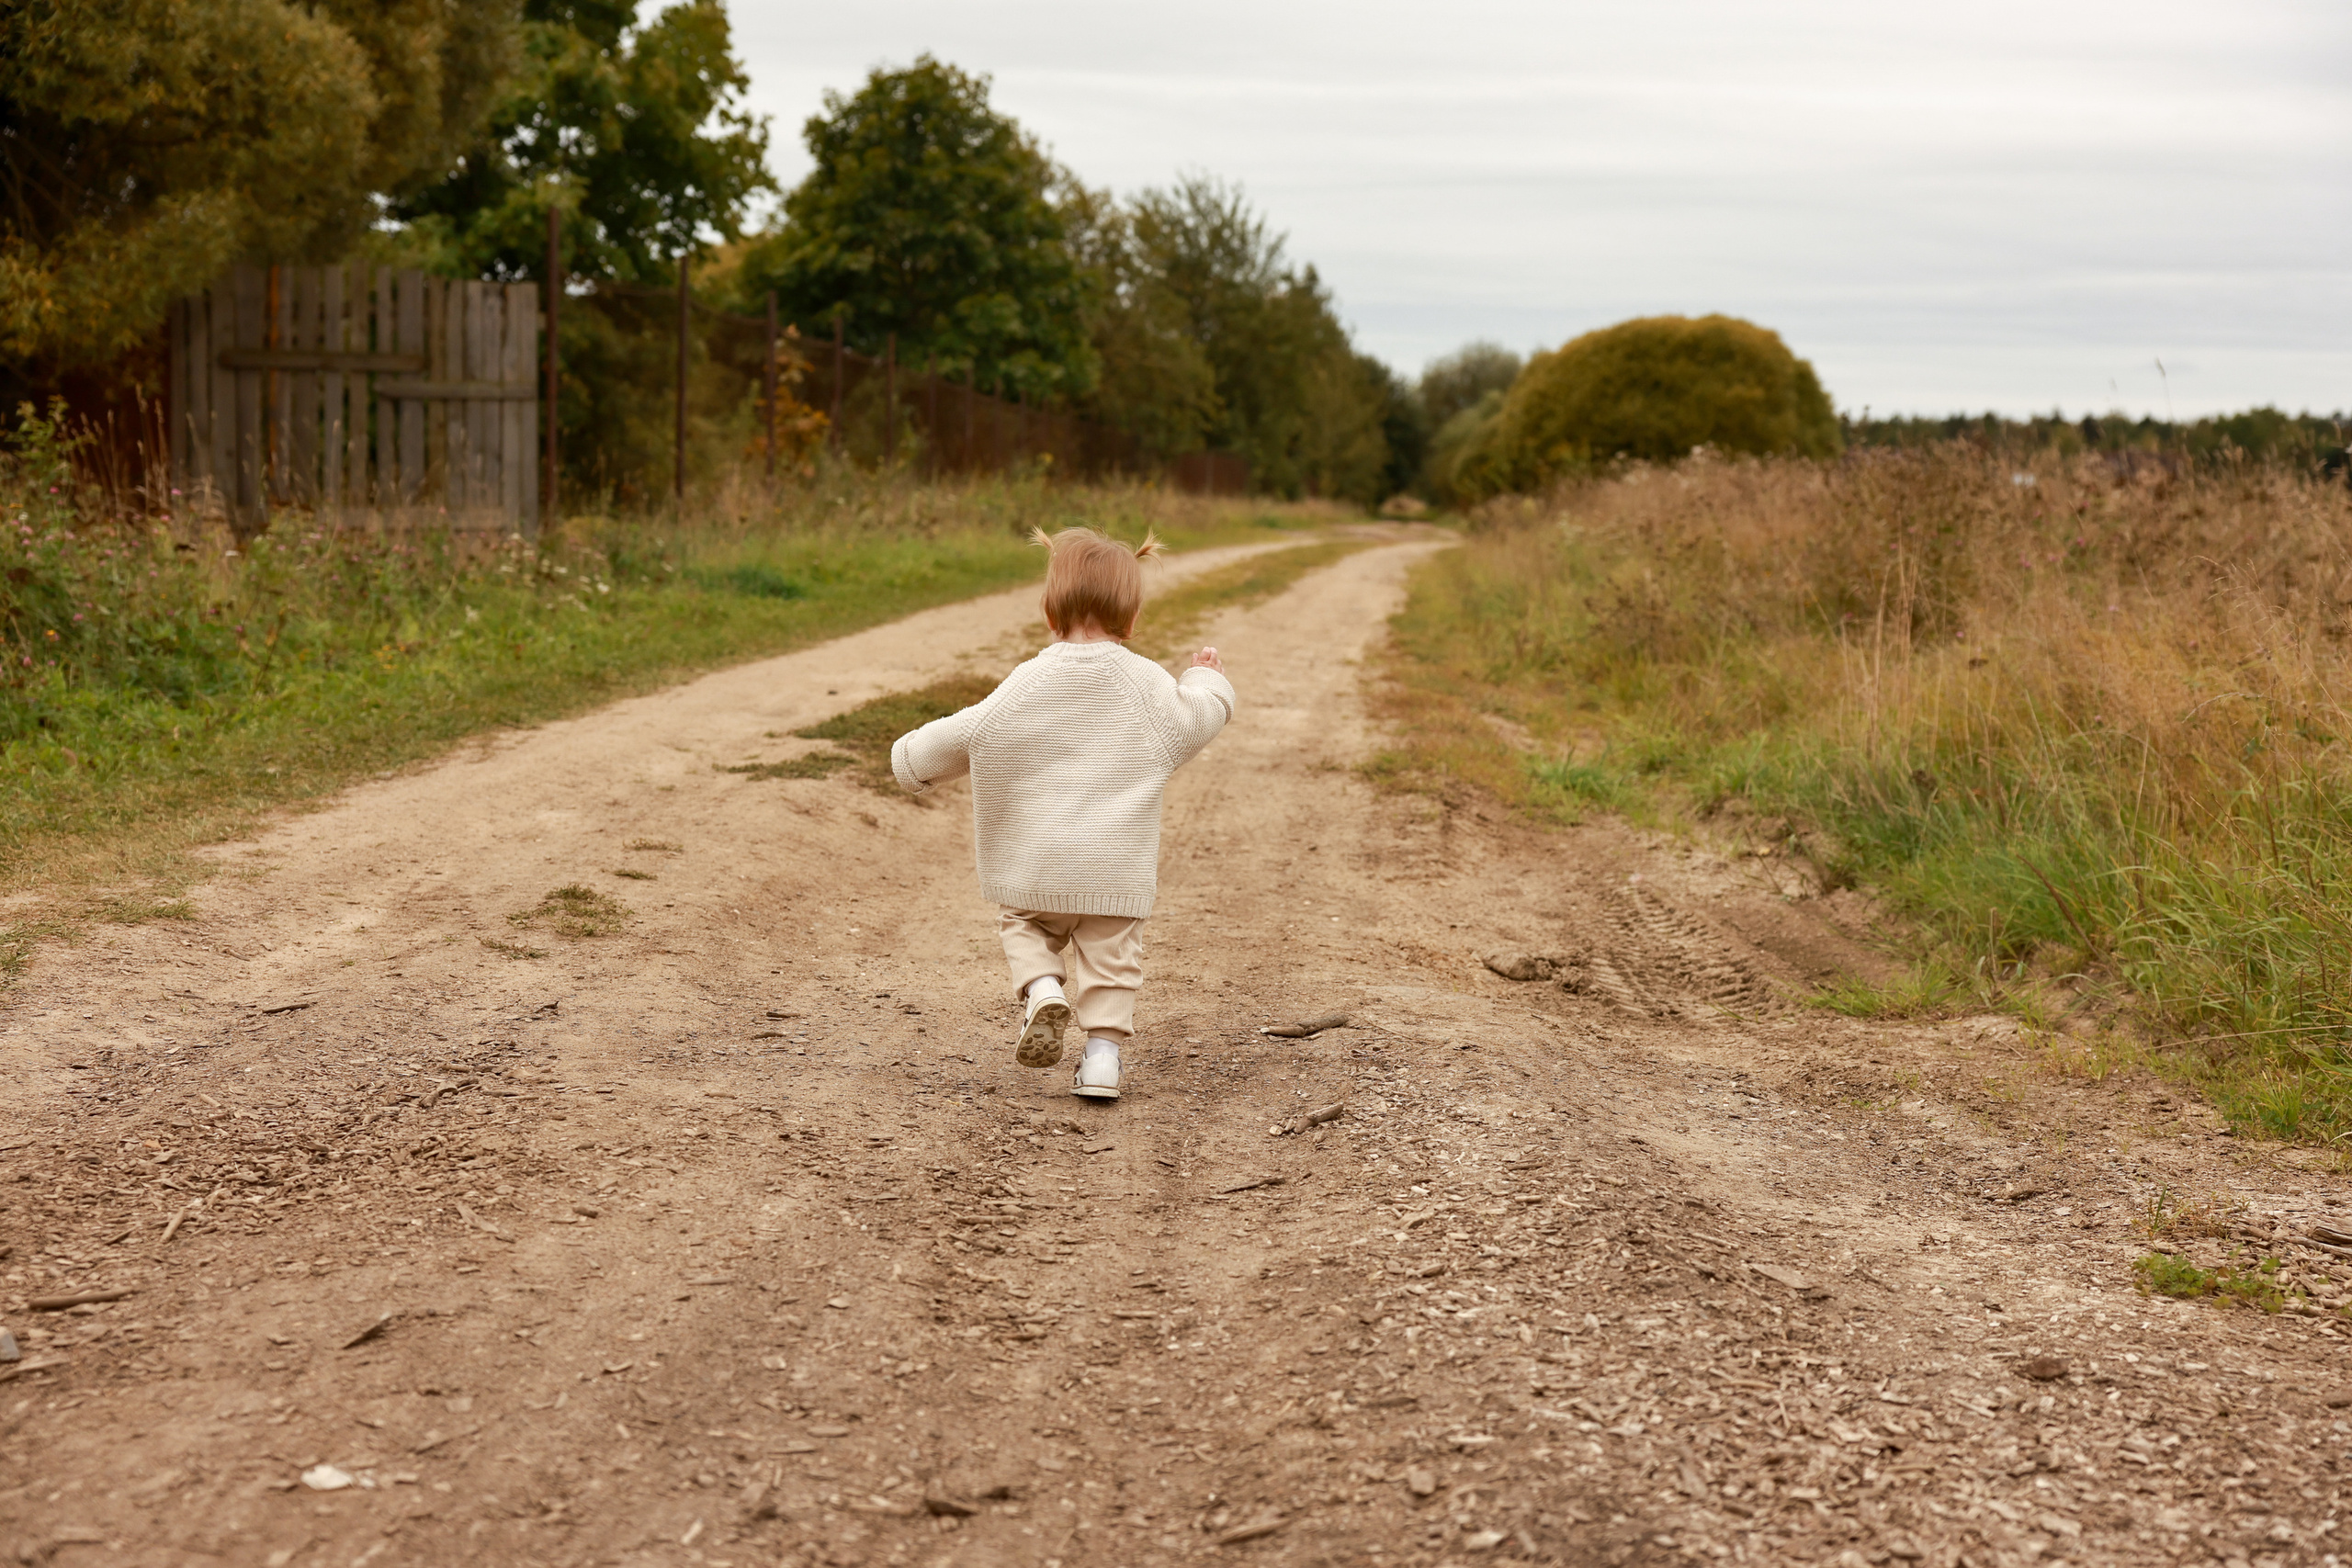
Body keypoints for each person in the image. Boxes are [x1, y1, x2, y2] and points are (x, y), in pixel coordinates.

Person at [889, 527, 1235, 1101]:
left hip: (1036, 865)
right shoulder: (1146, 682)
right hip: (1113, 869)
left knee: (1024, 924)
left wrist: (910, 760)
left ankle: (1044, 986)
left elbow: (970, 730)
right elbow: (1195, 721)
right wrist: (1206, 680)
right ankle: (1102, 1058)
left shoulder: (1028, 680)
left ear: (1050, 608)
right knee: (1113, 958)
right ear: (1132, 613)